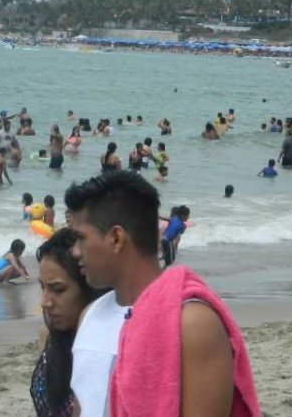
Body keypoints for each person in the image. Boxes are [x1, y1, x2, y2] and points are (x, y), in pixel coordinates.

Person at [65, 171, 259, 416]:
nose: (74, 252)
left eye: (80, 238)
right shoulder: (90, 316)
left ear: (116, 238)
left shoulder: (192, 323)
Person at [30, 228, 105, 417]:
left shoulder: (108, 346)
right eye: (43, 287)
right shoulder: (49, 338)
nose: (44, 302)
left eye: (58, 289)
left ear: (89, 288)